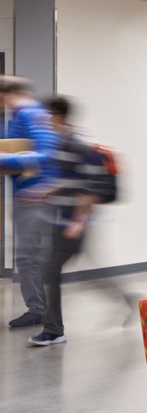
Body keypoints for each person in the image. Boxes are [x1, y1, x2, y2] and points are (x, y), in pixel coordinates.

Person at [27, 97, 96, 347]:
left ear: (58, 116)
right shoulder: (60, 144)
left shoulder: (78, 146)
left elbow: (88, 188)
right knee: (51, 272)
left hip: (73, 223)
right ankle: (54, 329)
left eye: (47, 114)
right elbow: (68, 181)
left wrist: (79, 220)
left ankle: (54, 330)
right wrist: (46, 190)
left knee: (49, 272)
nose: (43, 119)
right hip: (59, 222)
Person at [0, 75, 55, 330]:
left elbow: (44, 155)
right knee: (30, 256)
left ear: (9, 94)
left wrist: (5, 161)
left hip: (34, 197)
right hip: (26, 196)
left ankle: (38, 310)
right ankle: (40, 308)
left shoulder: (29, 115)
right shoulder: (18, 116)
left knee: (27, 256)